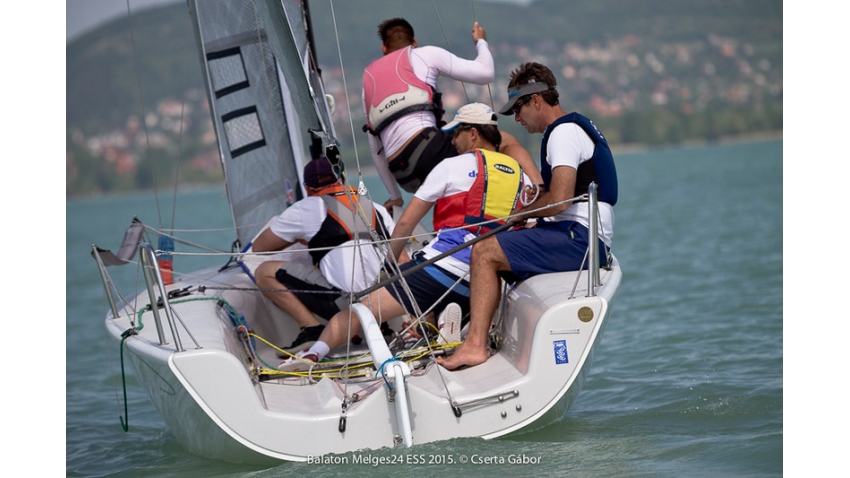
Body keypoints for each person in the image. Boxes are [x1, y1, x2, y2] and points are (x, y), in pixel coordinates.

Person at [279, 103, 532, 371]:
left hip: (444, 268)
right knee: (437, 291)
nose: (451, 141)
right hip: (487, 281)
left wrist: (387, 269)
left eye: (455, 134)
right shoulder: (520, 175)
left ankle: (314, 354)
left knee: (360, 311)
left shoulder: (450, 167)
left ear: (472, 134)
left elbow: (406, 224)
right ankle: (446, 320)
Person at [437, 62, 619, 371]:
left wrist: (521, 214)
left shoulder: (563, 133)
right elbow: (563, 195)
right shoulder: (571, 128)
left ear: (536, 100)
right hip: (580, 234)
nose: (516, 118)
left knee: (484, 251)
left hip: (581, 240)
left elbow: (560, 200)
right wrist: (535, 203)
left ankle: (474, 347)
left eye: (518, 109)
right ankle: (476, 331)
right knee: (498, 245)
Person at [362, 18, 540, 213]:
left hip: (403, 175)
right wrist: (481, 41)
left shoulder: (368, 82)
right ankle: (541, 197)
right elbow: (485, 73)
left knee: (448, 180)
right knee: (506, 141)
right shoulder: (425, 54)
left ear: (384, 48)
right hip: (428, 153)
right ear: (414, 43)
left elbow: (375, 149)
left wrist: (395, 197)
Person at [253, 156, 396, 353]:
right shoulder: (375, 207)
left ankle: (311, 328)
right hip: (386, 302)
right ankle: (382, 326)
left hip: (344, 305)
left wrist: (299, 238)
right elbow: (401, 258)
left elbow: (260, 247)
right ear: (340, 180)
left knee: (264, 272)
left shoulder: (307, 207)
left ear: (308, 189)